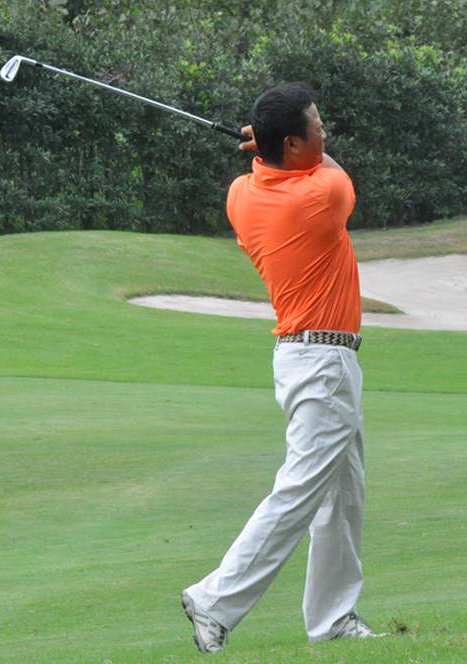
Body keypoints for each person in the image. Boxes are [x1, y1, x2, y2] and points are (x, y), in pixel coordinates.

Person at [179, 82, 382, 652]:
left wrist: (274, 149)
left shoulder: (240, 195)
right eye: (316, 127)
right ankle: (215, 599)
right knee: (299, 491)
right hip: (324, 363)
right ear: (292, 143)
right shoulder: (319, 196)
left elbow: (283, 167)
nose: (325, 133)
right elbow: (335, 173)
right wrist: (273, 145)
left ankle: (333, 619)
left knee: (343, 495)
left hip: (308, 357)